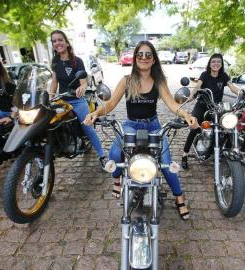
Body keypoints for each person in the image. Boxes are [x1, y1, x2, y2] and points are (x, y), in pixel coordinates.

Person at [84, 40, 198, 220]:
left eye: (148, 55)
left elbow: (172, 104)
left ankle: (179, 197)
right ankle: (117, 179)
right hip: (131, 124)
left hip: (153, 126)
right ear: (135, 59)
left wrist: (186, 115)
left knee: (167, 164)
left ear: (153, 60)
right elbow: (111, 103)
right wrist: (95, 114)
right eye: (140, 55)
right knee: (114, 154)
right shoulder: (126, 81)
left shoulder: (159, 82)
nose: (144, 58)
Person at [49, 30, 107, 169]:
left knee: (87, 126)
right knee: (49, 122)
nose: (57, 43)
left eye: (60, 40)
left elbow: (83, 81)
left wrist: (82, 87)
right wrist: (50, 96)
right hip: (62, 100)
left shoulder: (77, 61)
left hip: (77, 99)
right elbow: (54, 82)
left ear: (66, 42)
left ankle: (103, 156)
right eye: (54, 41)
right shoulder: (55, 61)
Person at [181, 53, 241, 169]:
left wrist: (240, 93)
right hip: (202, 105)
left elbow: (232, 87)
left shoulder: (223, 76)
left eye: (218, 62)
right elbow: (197, 86)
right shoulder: (205, 75)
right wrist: (192, 95)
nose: (216, 64)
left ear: (221, 64)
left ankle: (218, 152)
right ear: (210, 63)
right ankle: (185, 155)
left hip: (216, 107)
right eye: (213, 62)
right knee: (194, 127)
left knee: (225, 127)